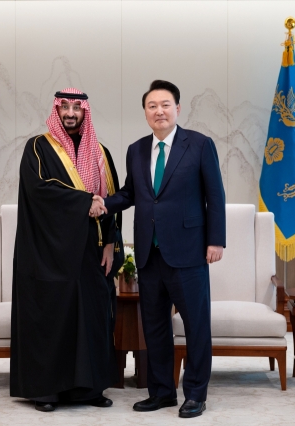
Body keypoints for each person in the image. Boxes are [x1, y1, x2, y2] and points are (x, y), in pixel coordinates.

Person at [91, 80, 226, 419]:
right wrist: (103, 204)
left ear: (177, 109)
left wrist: (216, 240)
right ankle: (162, 392)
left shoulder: (199, 145)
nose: (159, 111)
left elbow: (216, 196)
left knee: (196, 325)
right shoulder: (136, 150)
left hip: (189, 252)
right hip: (149, 255)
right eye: (152, 106)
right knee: (155, 327)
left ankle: (195, 393)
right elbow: (130, 195)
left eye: (165, 104)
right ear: (146, 112)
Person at [10, 88, 122, 412]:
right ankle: (46, 391)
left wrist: (111, 245)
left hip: (92, 250)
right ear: (56, 110)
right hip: (48, 253)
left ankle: (89, 389)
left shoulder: (100, 153)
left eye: (77, 107)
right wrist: (84, 201)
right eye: (65, 107)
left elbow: (112, 203)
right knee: (52, 318)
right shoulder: (38, 148)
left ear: (85, 112)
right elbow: (39, 191)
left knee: (93, 316)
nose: (71, 113)